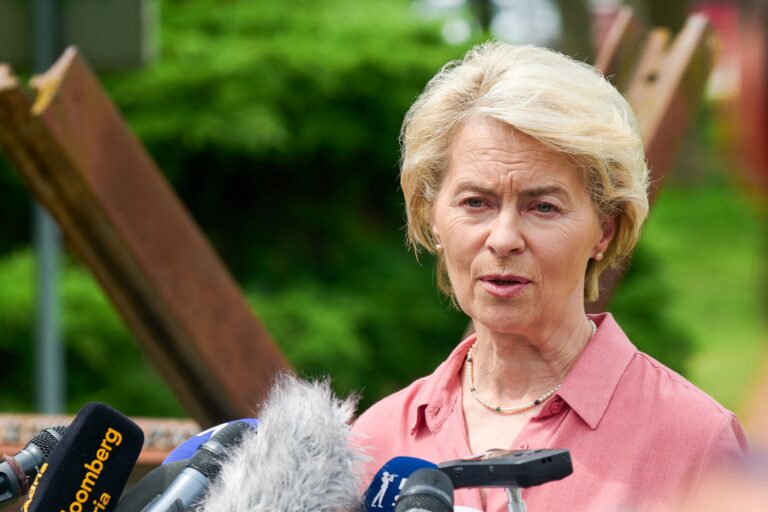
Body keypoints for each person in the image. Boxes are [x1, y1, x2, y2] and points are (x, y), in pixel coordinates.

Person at [352, 42, 749, 511]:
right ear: (432, 218)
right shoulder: (375, 443)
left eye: (543, 207)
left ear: (605, 230)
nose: (504, 239)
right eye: (476, 202)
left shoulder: (697, 445)